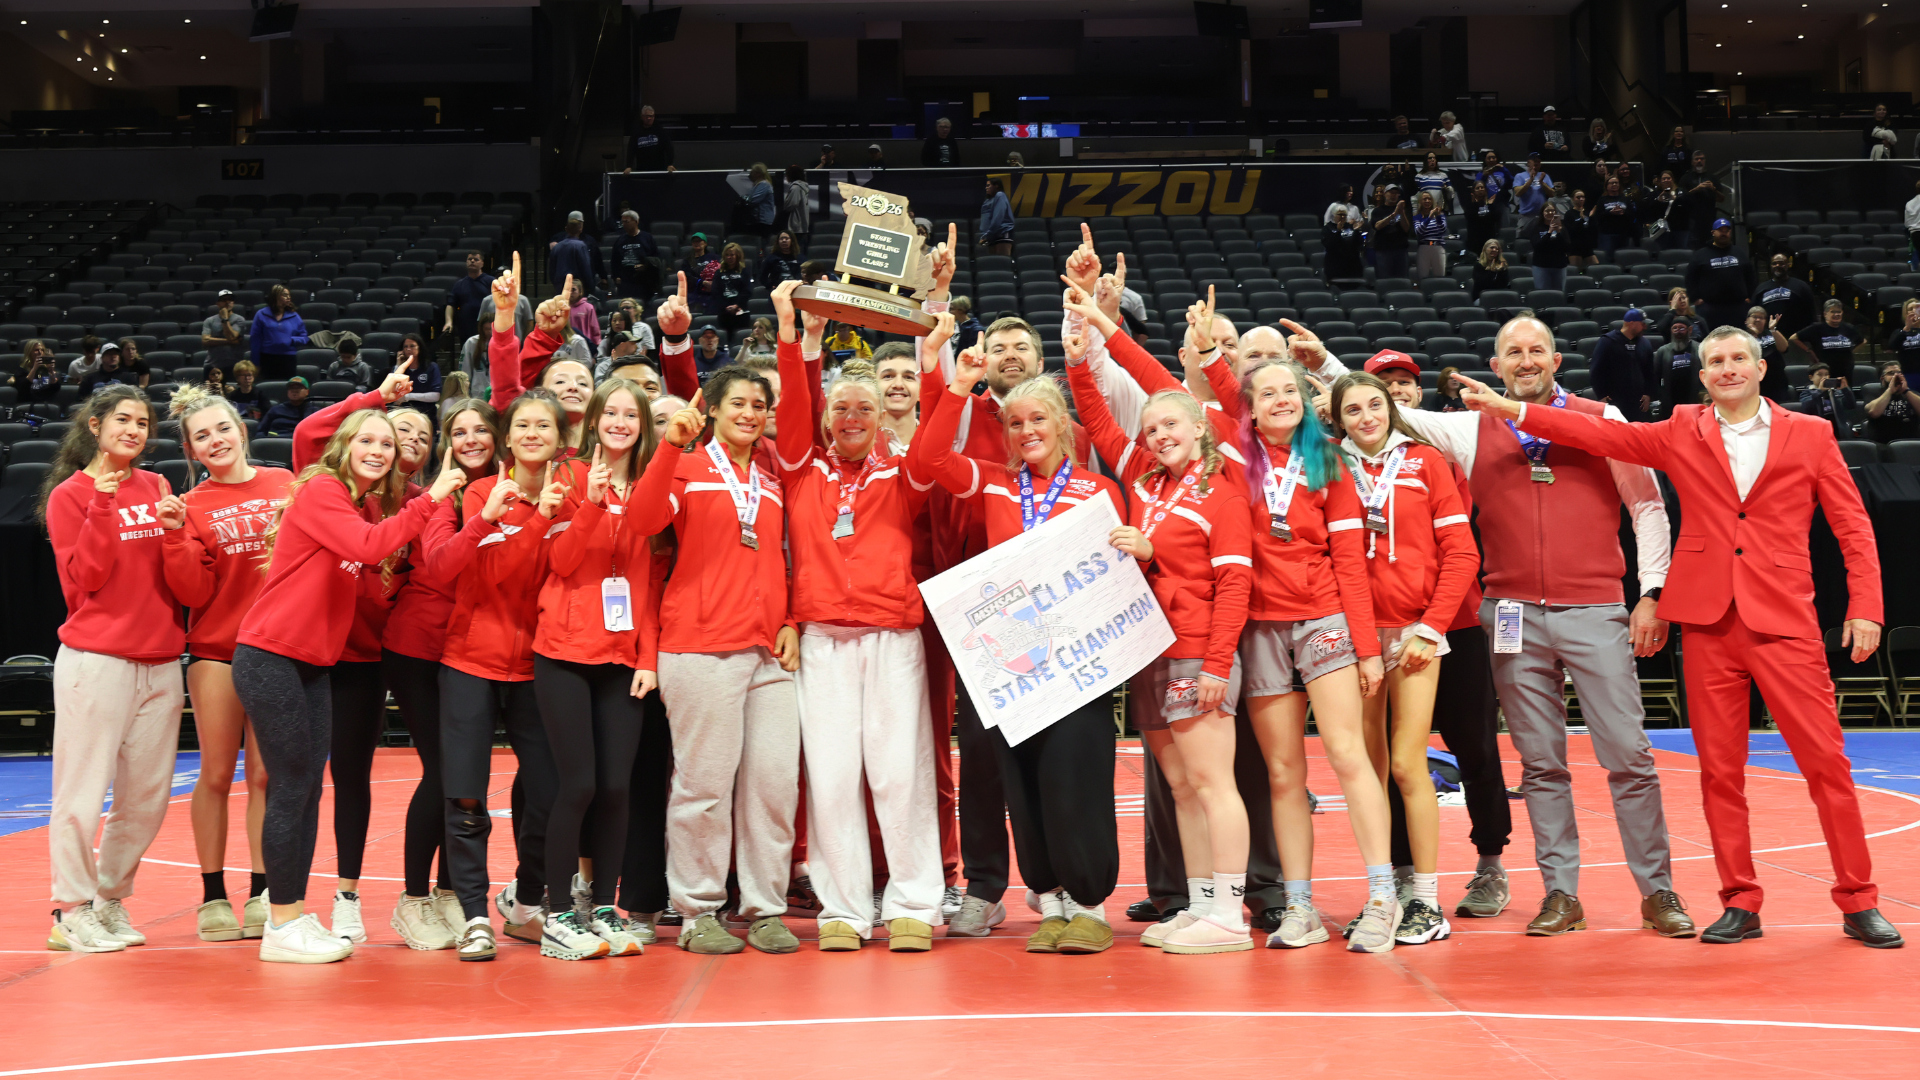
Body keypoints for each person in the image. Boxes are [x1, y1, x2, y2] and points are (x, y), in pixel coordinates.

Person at [1454, 325, 1902, 949]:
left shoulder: (1811, 433)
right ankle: (1739, 900)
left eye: (1738, 358)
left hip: (1785, 621)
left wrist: (1867, 608)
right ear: (1702, 373)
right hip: (1708, 623)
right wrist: (1512, 410)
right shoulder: (1682, 428)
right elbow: (1599, 434)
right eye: (1715, 361)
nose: (1727, 368)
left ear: (1761, 367)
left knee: (1827, 765)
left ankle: (1858, 899)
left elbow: (1853, 527)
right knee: (1719, 773)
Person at [1400, 315, 1688, 934]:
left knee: (1629, 755)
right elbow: (1386, 412)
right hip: (1511, 615)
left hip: (1595, 609)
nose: (1525, 361)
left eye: (1537, 351)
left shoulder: (1602, 418)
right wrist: (1323, 369)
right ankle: (1561, 893)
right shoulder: (1472, 427)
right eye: (1513, 352)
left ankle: (1658, 891)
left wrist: (1652, 592)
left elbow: (1647, 506)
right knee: (1540, 765)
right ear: (1495, 366)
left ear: (1557, 361)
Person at [907, 332, 1127, 957]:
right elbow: (929, 458)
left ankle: (1090, 906)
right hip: (1010, 663)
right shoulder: (996, 484)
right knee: (1023, 785)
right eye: (1015, 423)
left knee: (1075, 779)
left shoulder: (1098, 490)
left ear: (1062, 426)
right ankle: (1051, 902)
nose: (1027, 431)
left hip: (1078, 664)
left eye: (1038, 420)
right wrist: (956, 387)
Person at [1053, 288, 1257, 954]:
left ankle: (1230, 915)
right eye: (1150, 430)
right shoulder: (1145, 479)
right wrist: (1077, 359)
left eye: (1171, 425)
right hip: (1149, 653)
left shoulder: (1222, 491)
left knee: (1212, 783)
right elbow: (1094, 416)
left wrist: (1218, 665)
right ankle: (1200, 905)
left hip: (1198, 652)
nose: (1159, 436)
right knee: (1180, 786)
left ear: (1199, 428)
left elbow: (1234, 585)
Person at [232, 405, 463, 964]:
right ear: (345, 446)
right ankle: (281, 922)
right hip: (271, 655)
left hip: (313, 662)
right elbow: (367, 547)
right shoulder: (323, 489)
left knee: (308, 788)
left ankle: (293, 914)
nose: (378, 450)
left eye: (387, 445)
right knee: (292, 786)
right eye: (368, 440)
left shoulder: (358, 503)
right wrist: (431, 499)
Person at [765, 284, 945, 953]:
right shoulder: (801, 468)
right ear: (825, 417)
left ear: (881, 418)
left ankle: (914, 903)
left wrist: (936, 359)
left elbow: (936, 431)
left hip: (892, 634)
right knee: (833, 776)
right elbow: (795, 403)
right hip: (822, 638)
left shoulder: (903, 471)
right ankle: (843, 908)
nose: (851, 417)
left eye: (864, 408)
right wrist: (797, 338)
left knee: (899, 773)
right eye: (840, 407)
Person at [630, 363, 804, 956]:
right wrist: (669, 448)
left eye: (758, 405)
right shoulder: (686, 466)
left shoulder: (772, 480)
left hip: (767, 649)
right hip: (700, 646)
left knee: (774, 787)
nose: (749, 414)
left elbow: (782, 558)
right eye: (738, 403)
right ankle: (698, 910)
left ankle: (765, 909)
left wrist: (790, 620)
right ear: (712, 411)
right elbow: (643, 521)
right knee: (703, 788)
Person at [39, 387, 199, 954]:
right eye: (123, 419)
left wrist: (177, 532)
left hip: (162, 662)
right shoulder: (69, 495)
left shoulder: (156, 485)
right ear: (95, 424)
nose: (133, 429)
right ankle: (71, 909)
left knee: (147, 799)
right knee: (81, 794)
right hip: (97, 661)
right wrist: (103, 505)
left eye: (142, 422)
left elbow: (183, 583)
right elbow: (87, 578)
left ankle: (108, 899)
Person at [1323, 370, 1478, 947]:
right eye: (1353, 409)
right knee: (1370, 770)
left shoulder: (1426, 461)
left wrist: (1430, 628)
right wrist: (1363, 643)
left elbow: (1461, 554)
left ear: (1391, 408)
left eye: (1376, 405)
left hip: (1414, 633)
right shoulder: (1328, 467)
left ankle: (1428, 902)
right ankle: (1385, 893)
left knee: (1410, 766)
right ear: (1338, 419)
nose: (1367, 417)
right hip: (1354, 636)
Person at [529, 376, 657, 961]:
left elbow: (650, 583)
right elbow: (559, 560)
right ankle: (558, 913)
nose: (620, 423)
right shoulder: (569, 476)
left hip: (622, 658)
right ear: (595, 420)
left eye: (631, 414)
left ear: (642, 425)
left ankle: (603, 906)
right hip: (563, 651)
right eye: (611, 413)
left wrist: (649, 657)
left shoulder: (652, 489)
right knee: (577, 784)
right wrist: (593, 504)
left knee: (615, 788)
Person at [162, 388, 291, 943]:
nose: (215, 441)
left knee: (264, 775)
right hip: (216, 650)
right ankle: (213, 896)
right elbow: (192, 591)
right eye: (202, 436)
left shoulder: (285, 482)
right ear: (191, 450)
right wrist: (174, 536)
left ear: (241, 430)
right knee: (216, 774)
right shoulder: (189, 506)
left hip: (276, 649)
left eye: (222, 429)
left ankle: (262, 891)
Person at [1687, 218, 1755, 332]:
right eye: (1720, 230)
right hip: (1710, 308)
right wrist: (1695, 298)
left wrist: (1750, 297)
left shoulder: (1739, 252)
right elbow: (1690, 278)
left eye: (1726, 231)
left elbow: (1750, 275)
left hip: (1737, 308)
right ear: (1713, 232)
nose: (1724, 233)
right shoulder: (1700, 255)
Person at [1591, 309, 1658, 423]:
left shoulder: (1645, 344)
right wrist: (1601, 396)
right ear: (1631, 323)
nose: (1645, 327)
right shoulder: (1607, 342)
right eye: (1642, 323)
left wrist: (1648, 394)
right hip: (1615, 402)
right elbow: (1596, 371)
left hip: (1639, 404)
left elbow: (1650, 373)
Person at [1790, 299, 1864, 376]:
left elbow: (1863, 341)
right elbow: (1793, 338)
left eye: (1839, 312)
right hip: (1824, 371)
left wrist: (1850, 352)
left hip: (1846, 371)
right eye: (1833, 312)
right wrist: (1809, 351)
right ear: (1825, 314)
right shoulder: (1816, 328)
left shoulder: (1848, 328)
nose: (1836, 314)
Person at [250, 286, 308, 382]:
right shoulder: (261, 314)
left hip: (288, 359)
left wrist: (291, 340)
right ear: (275, 297)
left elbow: (304, 337)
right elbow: (255, 340)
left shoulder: (294, 316)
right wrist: (255, 363)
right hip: (267, 358)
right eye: (285, 295)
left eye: (289, 295)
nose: (289, 297)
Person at [445, 251, 494, 360]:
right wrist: (449, 322)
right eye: (470, 259)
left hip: (487, 325)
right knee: (468, 355)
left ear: (482, 263)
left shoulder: (491, 281)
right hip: (466, 326)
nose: (472, 261)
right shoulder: (459, 284)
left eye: (476, 259)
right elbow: (451, 305)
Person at [1758, 255, 1817, 335]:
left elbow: (1811, 314)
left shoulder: (1801, 287)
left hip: (1796, 336)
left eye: (1781, 263)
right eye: (1774, 263)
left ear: (1788, 265)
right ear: (1770, 266)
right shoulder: (1761, 288)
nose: (1778, 266)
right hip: (1769, 336)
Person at [1744, 306, 1791, 404]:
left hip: (1778, 381)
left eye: (1761, 317)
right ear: (1747, 320)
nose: (1758, 319)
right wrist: (1754, 334)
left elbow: (1784, 348)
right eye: (1754, 317)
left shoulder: (1770, 333)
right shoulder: (1742, 336)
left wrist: (1773, 329)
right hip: (1757, 383)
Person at [1866, 360, 1920, 443]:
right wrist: (1890, 390)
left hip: (1911, 442)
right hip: (1883, 444)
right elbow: (1874, 413)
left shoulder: (1912, 394)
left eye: (1899, 373)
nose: (1896, 376)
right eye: (1891, 373)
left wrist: (1906, 391)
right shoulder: (1874, 394)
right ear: (1882, 379)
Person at [549, 212, 603, 295]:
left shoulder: (557, 247)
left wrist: (557, 285)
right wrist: (590, 287)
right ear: (580, 228)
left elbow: (552, 271)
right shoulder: (581, 246)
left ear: (566, 229)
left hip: (560, 287)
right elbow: (586, 269)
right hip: (577, 288)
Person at [611, 212, 660, 304]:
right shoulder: (620, 240)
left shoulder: (647, 238)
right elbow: (615, 260)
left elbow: (656, 259)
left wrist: (645, 266)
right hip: (625, 281)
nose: (624, 224)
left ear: (636, 221)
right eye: (622, 222)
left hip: (643, 281)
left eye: (627, 221)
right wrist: (616, 276)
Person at [1658, 315, 1700, 413]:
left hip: (1693, 397)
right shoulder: (1662, 351)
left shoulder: (1700, 349)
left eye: (1682, 328)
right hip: (1670, 399)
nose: (1678, 331)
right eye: (1675, 328)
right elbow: (1656, 376)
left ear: (1690, 330)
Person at [1679, 152, 1722, 249]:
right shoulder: (1685, 178)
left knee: (1710, 247)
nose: (1699, 161)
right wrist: (1696, 189)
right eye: (1697, 159)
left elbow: (1721, 199)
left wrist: (1714, 189)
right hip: (1692, 220)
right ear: (1692, 162)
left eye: (1702, 159)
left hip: (1709, 219)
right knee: (1693, 247)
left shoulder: (1712, 178)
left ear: (1705, 161)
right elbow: (1680, 198)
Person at [202, 290, 248, 376]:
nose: (227, 302)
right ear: (218, 303)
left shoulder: (239, 319)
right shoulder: (209, 321)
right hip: (212, 365)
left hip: (234, 366)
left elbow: (231, 337)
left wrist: (225, 319)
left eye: (230, 300)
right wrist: (231, 342)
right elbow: (205, 341)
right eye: (224, 300)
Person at [1511, 154, 1555, 238]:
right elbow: (1518, 193)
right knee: (1522, 239)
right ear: (1528, 163)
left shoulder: (1544, 176)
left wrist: (1542, 182)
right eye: (1534, 161)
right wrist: (1530, 180)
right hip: (1526, 215)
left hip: (1542, 216)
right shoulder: (1520, 176)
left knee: (1542, 238)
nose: (1536, 163)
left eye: (1538, 161)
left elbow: (1552, 194)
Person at [1371, 187, 1410, 279]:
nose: (1393, 195)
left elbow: (1406, 228)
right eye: (1391, 192)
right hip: (1383, 250)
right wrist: (1394, 214)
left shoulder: (1404, 210)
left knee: (1401, 279)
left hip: (1400, 250)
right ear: (1385, 194)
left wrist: (1401, 212)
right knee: (1384, 279)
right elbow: (1377, 226)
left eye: (1396, 193)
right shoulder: (1378, 211)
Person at [623, 104, 674, 173]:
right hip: (642, 168)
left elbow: (669, 147)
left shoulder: (659, 130)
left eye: (651, 116)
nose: (649, 118)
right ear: (642, 116)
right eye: (647, 116)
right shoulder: (636, 131)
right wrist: (629, 166)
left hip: (659, 168)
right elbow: (631, 149)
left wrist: (670, 164)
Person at [1593, 176, 1637, 257]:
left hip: (1623, 234)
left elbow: (1632, 214)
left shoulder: (1625, 199)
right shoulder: (1602, 199)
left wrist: (1623, 212)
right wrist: (1610, 212)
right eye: (1611, 183)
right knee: (1608, 258)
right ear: (1607, 186)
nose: (1614, 184)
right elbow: (1598, 216)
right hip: (1607, 234)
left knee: (1623, 258)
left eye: (1616, 183)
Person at [1531, 206, 1569, 293]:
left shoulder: (1562, 229)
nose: (1550, 213)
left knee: (1559, 293)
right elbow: (1537, 246)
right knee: (1543, 293)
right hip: (1541, 266)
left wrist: (1558, 232)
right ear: (1542, 213)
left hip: (1559, 266)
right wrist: (1549, 232)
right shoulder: (1536, 227)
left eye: (1552, 211)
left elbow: (1567, 247)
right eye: (1547, 211)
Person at [1324, 207, 1367, 283]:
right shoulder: (1328, 228)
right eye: (1340, 214)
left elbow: (1358, 244)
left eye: (1344, 215)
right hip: (1335, 264)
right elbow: (1329, 245)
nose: (1343, 217)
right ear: (1334, 215)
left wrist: (1356, 231)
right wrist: (1338, 231)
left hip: (1352, 264)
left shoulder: (1351, 227)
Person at [1411, 191, 1447, 281]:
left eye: (1429, 199)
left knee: (1439, 277)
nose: (1427, 201)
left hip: (1438, 246)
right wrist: (1429, 218)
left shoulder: (1440, 215)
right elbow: (1418, 232)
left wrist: (1437, 217)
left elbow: (1443, 230)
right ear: (1420, 201)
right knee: (1423, 277)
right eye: (1424, 199)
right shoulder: (1417, 217)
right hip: (1424, 247)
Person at [12, 338, 61, 404]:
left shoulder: (45, 370)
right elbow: (23, 388)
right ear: (29, 352)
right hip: (27, 403)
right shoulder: (21, 370)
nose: (40, 352)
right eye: (36, 350)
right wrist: (35, 368)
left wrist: (51, 371)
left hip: (46, 404)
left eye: (42, 350)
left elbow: (55, 388)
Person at [980, 177, 1014, 256]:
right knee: (993, 262)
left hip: (1001, 234)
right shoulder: (988, 200)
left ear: (996, 186)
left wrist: (989, 233)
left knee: (1001, 261)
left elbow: (998, 217)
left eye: (988, 185)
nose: (986, 188)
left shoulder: (1000, 195)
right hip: (990, 236)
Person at [745, 163, 776, 243]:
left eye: (752, 172)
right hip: (759, 220)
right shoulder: (757, 185)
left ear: (758, 174)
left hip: (763, 220)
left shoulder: (764, 184)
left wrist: (746, 199)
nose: (750, 174)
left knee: (761, 242)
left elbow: (753, 200)